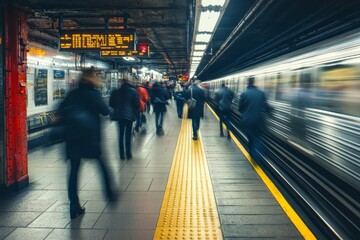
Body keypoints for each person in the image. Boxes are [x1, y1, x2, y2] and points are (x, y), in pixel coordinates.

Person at [58, 68, 115, 219]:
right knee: (102, 164)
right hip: (89, 138)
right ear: (92, 79)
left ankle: (73, 205)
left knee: (74, 172)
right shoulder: (93, 94)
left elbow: (60, 110)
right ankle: (110, 193)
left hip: (72, 139)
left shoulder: (72, 94)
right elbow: (105, 111)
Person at [238, 76, 272, 163]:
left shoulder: (244, 94)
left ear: (248, 83)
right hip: (259, 121)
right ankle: (257, 157)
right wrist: (270, 113)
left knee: (251, 139)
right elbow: (266, 107)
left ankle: (253, 155)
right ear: (254, 83)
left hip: (247, 121)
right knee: (258, 139)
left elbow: (240, 109)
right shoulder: (261, 93)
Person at [109, 78, 140, 160]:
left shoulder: (116, 91)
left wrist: (117, 107)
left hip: (119, 115)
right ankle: (128, 153)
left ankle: (121, 154)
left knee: (120, 134)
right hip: (129, 116)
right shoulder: (133, 91)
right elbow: (137, 104)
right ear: (129, 82)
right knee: (128, 134)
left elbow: (111, 103)